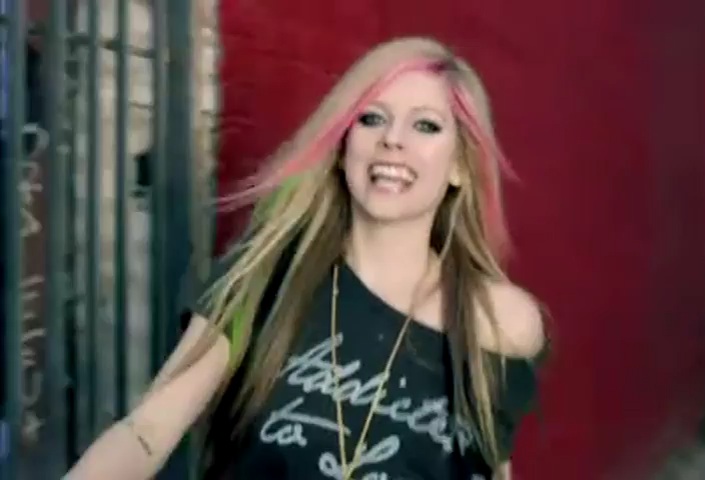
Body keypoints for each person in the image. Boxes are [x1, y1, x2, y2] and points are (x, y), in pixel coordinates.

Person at [64, 36, 548, 480]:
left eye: (426, 125)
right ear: (343, 145)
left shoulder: (499, 323)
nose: (393, 139)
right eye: (371, 118)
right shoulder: (265, 278)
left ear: (460, 165)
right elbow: (146, 433)